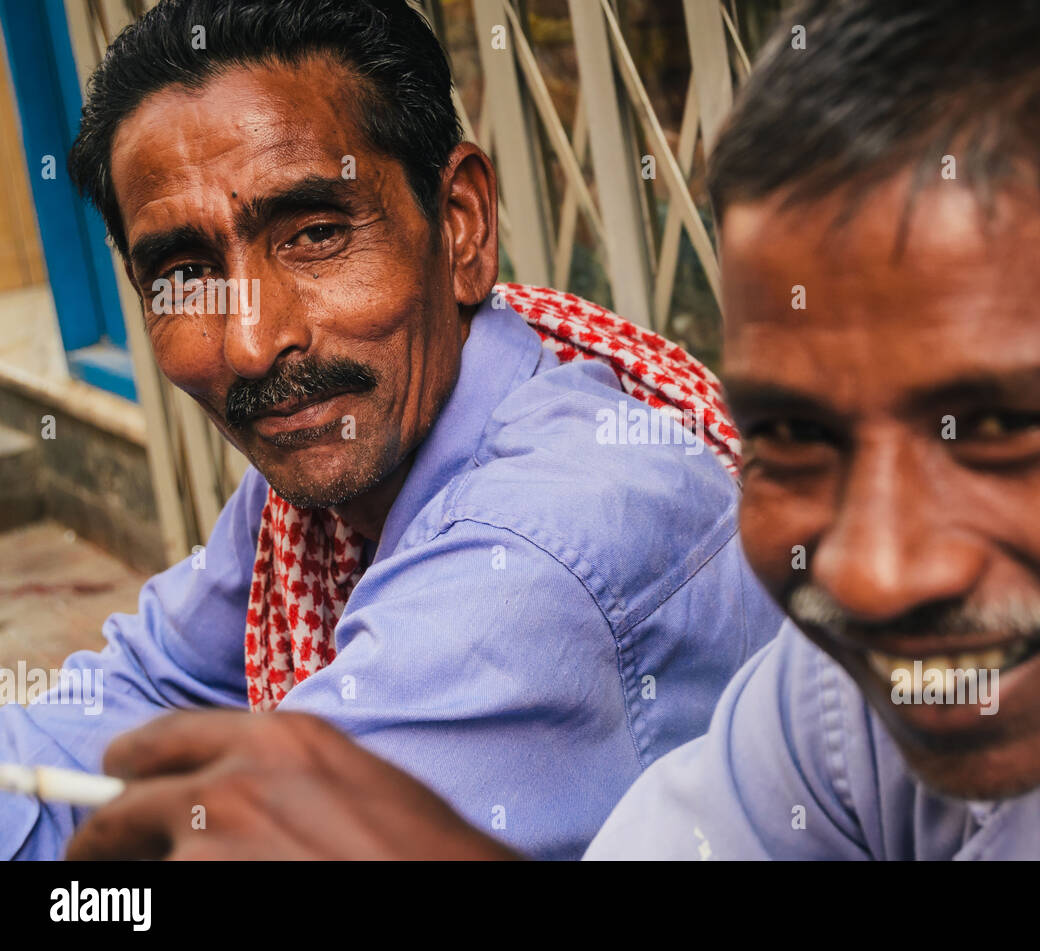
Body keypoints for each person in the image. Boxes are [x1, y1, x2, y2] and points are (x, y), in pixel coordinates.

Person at [63, 0, 1040, 861]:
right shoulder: (845, 704)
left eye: (1000, 427)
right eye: (790, 438)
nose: (867, 570)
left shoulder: (544, 540)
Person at [0, 0, 783, 861]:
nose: (254, 344)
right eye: (186, 275)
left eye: (317, 234)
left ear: (461, 224)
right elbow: (148, 689)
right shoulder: (323, 485)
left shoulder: (530, 558)